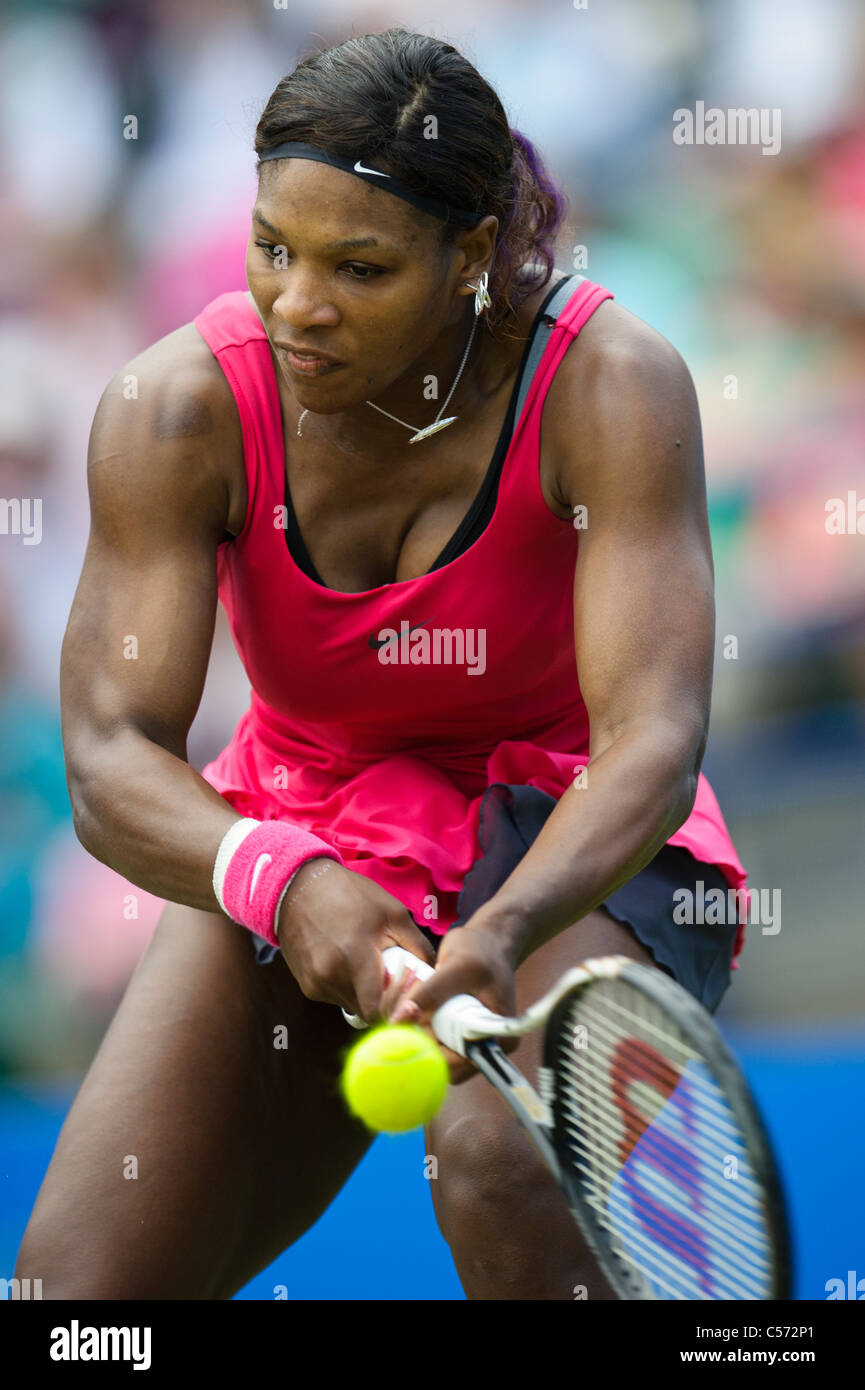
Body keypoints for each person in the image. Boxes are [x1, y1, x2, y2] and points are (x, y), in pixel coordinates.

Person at [15, 28, 748, 1301]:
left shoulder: (611, 387)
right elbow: (106, 755)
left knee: (497, 1157)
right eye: (272, 249)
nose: (296, 303)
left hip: (573, 838)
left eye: (358, 266)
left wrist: (504, 925)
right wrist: (285, 883)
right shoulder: (174, 409)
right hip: (304, 830)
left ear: (471, 258)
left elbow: (653, 737)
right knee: (80, 1308)